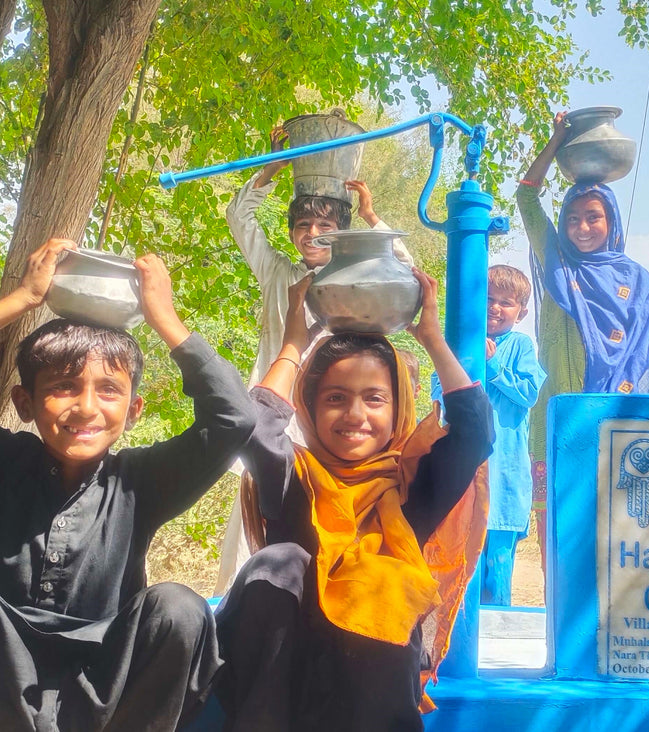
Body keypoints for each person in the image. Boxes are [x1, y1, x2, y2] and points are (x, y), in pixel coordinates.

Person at [214, 269, 493, 731]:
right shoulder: (295, 478)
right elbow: (254, 427)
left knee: (382, 579)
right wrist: (293, 344)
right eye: (336, 398)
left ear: (398, 404)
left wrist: (433, 340)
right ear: (310, 405)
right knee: (279, 562)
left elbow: (475, 432)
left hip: (368, 700)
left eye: (375, 398)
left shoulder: (411, 489)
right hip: (283, 692)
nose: (355, 416)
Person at [0, 238, 256, 730]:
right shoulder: (8, 462)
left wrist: (166, 320)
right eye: (62, 387)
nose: (87, 407)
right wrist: (24, 298)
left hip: (105, 690)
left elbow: (234, 419)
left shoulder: (141, 482)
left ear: (134, 410)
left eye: (110, 390)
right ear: (25, 402)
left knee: (180, 608)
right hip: (8, 686)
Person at [216, 124, 415, 594]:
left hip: (330, 423)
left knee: (325, 525)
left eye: (326, 227)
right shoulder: (278, 274)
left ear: (340, 232)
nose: (313, 234)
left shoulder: (355, 282)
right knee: (250, 524)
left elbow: (404, 271)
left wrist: (371, 217)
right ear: (291, 231)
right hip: (277, 418)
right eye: (303, 225)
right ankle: (234, 614)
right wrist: (271, 170)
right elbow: (237, 217)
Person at [517, 112, 649, 572]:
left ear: (612, 222)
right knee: (558, 545)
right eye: (575, 218)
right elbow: (526, 196)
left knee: (618, 542)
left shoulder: (635, 278)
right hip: (557, 418)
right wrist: (557, 138)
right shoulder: (557, 265)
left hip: (616, 424)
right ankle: (560, 637)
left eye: (594, 217)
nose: (583, 227)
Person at [432, 265, 546, 605]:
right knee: (461, 572)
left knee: (497, 574)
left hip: (504, 479)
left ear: (521, 312)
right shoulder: (460, 340)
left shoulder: (521, 346)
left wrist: (492, 368)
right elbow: (438, 395)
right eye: (489, 299)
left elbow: (529, 394)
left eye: (506, 303)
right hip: (462, 474)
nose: (495, 308)